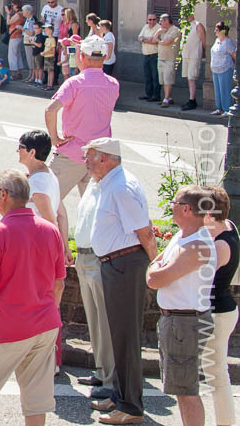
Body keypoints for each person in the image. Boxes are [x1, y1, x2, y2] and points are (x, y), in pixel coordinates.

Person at [0, 170, 65, 426]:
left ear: (5, 195)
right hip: (46, 326)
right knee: (35, 401)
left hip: (10, 329)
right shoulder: (51, 231)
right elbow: (58, 284)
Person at [84, 137, 157, 424]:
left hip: (125, 264)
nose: (87, 162)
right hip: (116, 264)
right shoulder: (112, 183)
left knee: (126, 338)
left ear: (106, 158)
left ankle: (131, 407)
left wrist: (154, 264)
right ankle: (120, 397)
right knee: (119, 337)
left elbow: (145, 232)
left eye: (90, 157)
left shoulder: (121, 187)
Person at [147, 185, 217, 426]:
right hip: (177, 321)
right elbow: (157, 266)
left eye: (174, 203)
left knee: (187, 391)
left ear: (186, 209)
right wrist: (156, 270)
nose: (171, 207)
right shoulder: (183, 236)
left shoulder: (196, 246)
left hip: (185, 323)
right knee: (181, 389)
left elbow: (156, 278)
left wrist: (155, 271)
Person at [17, 130, 70, 371]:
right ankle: (49, 357)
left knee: (37, 302)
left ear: (32, 152)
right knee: (48, 302)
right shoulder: (49, 176)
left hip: (38, 249)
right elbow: (62, 213)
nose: (17, 151)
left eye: (20, 147)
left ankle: (45, 358)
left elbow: (49, 218)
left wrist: (57, 247)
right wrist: (65, 246)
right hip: (47, 248)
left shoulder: (37, 182)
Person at [45, 36, 119, 201]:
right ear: (105, 57)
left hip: (72, 152)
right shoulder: (113, 84)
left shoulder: (74, 83)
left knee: (45, 202)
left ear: (81, 56)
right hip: (100, 155)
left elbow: (50, 110)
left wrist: (55, 138)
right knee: (94, 211)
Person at [72, 177, 116, 401]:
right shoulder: (92, 184)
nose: (85, 160)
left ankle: (110, 379)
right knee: (93, 319)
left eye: (90, 156)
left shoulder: (115, 187)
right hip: (83, 255)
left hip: (99, 257)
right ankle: (101, 371)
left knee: (105, 322)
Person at [202, 186, 238, 426]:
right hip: (223, 310)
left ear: (208, 213)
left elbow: (199, 277)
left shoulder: (219, 245)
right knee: (216, 374)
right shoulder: (229, 228)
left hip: (218, 313)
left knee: (217, 377)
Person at [154, 14, 181, 107]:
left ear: (166, 21)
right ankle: (168, 98)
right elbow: (154, 39)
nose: (159, 22)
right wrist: (158, 32)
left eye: (161, 20)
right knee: (162, 80)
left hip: (170, 59)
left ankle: (166, 99)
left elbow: (166, 42)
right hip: (161, 57)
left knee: (168, 79)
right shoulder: (162, 30)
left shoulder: (175, 30)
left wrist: (158, 41)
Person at [180, 15, 206, 111]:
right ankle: (191, 98)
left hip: (194, 55)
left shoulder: (198, 25)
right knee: (189, 78)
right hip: (186, 55)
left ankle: (192, 100)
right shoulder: (185, 25)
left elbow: (204, 40)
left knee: (192, 78)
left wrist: (204, 51)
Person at [211, 22, 236, 116]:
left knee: (225, 89)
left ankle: (227, 109)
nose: (215, 31)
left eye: (216, 30)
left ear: (222, 31)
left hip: (225, 68)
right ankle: (219, 108)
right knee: (217, 90)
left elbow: (234, 55)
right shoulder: (217, 40)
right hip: (215, 69)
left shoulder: (228, 42)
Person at [137, 14, 162, 102]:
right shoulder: (145, 27)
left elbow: (155, 41)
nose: (151, 21)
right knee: (147, 76)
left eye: (153, 19)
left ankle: (156, 95)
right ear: (147, 20)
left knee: (155, 76)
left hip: (154, 55)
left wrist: (144, 39)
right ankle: (149, 94)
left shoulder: (159, 28)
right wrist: (147, 39)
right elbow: (139, 38)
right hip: (146, 54)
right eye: (150, 19)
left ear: (156, 20)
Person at [5, 1, 26, 80]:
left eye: (13, 5)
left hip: (14, 37)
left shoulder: (18, 14)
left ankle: (14, 74)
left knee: (12, 55)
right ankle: (19, 73)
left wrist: (8, 13)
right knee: (18, 55)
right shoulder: (21, 14)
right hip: (18, 36)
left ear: (17, 5)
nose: (12, 6)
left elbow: (8, 22)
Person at [29, 21, 45, 85]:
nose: (35, 30)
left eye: (36, 28)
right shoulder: (36, 35)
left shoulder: (40, 36)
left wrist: (33, 43)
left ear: (40, 28)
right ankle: (36, 80)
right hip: (35, 53)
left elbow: (40, 45)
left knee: (39, 68)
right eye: (34, 28)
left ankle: (39, 80)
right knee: (35, 68)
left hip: (39, 53)